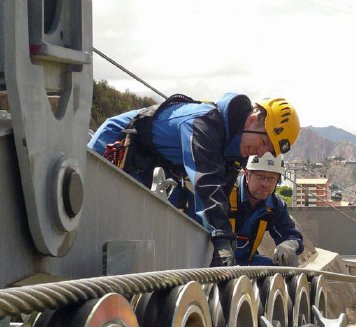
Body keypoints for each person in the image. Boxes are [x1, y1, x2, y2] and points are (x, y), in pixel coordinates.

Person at [88, 93, 300, 266]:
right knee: (99, 234)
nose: (261, 153)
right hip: (116, 147)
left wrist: (222, 246)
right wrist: (222, 244)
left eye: (269, 150)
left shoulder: (233, 150)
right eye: (264, 142)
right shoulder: (204, 123)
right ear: (252, 120)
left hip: (151, 167)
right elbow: (207, 183)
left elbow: (218, 203)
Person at [230, 152, 303, 266]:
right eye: (260, 176)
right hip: (215, 260)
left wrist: (290, 244)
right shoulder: (227, 194)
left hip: (246, 262)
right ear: (247, 174)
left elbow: (290, 234)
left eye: (271, 178)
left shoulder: (274, 206)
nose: (265, 183)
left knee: (286, 269)